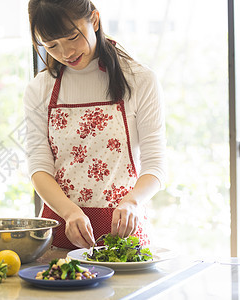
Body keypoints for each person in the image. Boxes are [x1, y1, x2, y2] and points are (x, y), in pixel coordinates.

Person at [24, 0, 167, 250]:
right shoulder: (40, 88)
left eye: (71, 38)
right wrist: (69, 212)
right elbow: (39, 165)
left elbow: (155, 165)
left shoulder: (140, 80)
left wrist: (132, 202)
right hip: (60, 234)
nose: (66, 53)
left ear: (95, 20)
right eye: (52, 46)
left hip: (124, 237)